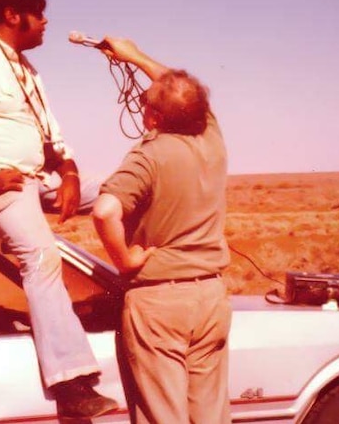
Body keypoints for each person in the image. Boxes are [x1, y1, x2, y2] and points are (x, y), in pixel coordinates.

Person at [0, 0, 117, 419]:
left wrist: (70, 173)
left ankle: (148, 281)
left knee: (124, 186)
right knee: (41, 257)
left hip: (34, 179)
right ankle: (72, 385)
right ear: (14, 15)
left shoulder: (25, 70)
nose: (46, 21)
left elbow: (50, 133)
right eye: (39, 13)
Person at [92, 38, 233, 423]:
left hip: (160, 302)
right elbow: (181, 92)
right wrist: (134, 57)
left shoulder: (149, 155)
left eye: (146, 101)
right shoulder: (211, 139)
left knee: (163, 415)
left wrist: (125, 260)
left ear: (153, 118)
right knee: (210, 414)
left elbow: (105, 211)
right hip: (210, 295)